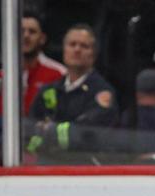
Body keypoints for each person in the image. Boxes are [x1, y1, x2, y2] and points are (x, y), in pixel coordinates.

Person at [26, 24, 119, 163]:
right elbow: (29, 132)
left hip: (86, 169)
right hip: (46, 169)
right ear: (64, 50)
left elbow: (86, 135)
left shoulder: (102, 93)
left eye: (84, 46)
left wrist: (49, 131)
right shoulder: (48, 90)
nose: (77, 49)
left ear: (93, 54)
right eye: (72, 44)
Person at [0, 11, 67, 117]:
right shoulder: (2, 76)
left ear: (42, 39)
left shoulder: (58, 74)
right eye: (21, 31)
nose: (26, 36)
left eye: (32, 32)